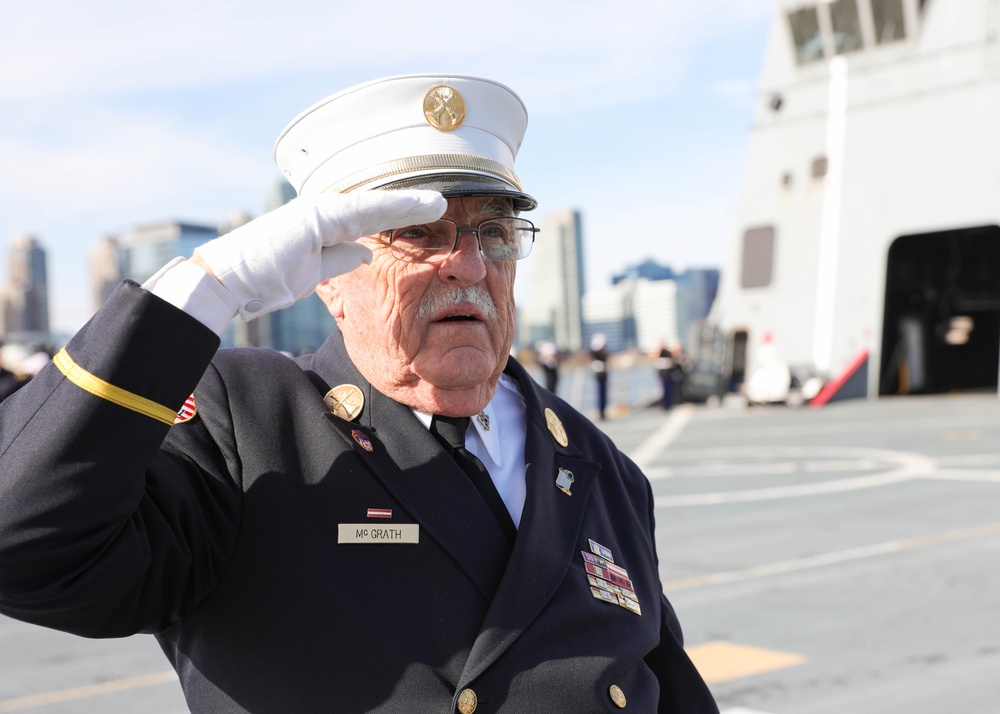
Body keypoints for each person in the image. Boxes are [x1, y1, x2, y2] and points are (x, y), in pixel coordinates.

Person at [0, 74, 717, 713]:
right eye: (418, 233)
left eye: (494, 231)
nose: (467, 263)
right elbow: (21, 546)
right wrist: (203, 292)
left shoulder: (598, 464)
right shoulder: (243, 419)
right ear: (326, 272)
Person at [589, 333, 610, 420]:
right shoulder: (596, 357)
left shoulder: (601, 356)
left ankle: (603, 412)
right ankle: (601, 412)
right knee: (601, 393)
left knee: (603, 394)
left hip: (603, 377)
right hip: (600, 376)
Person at [653, 341, 675, 410]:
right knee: (663, 391)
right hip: (663, 375)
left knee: (669, 390)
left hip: (668, 375)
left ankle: (668, 404)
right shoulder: (658, 353)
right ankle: (664, 405)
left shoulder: (668, 353)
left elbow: (672, 363)